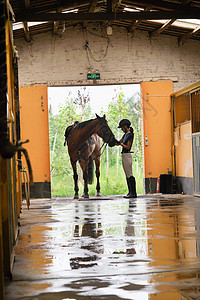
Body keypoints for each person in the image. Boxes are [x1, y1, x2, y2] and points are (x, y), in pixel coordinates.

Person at [116, 119, 137, 198]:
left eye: (122, 127)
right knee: (127, 174)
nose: (121, 129)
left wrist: (121, 144)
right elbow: (118, 142)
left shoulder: (130, 135)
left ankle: (133, 193)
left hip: (127, 155)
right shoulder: (125, 135)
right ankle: (130, 192)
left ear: (125, 126)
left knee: (129, 174)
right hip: (124, 155)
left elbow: (128, 147)